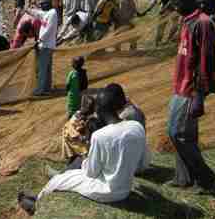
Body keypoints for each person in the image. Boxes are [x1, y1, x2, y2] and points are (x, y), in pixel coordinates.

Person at [18, 88, 148, 215]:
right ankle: (39, 198)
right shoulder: (136, 127)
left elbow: (91, 173)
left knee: (58, 180)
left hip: (106, 191)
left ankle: (36, 203)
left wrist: (86, 158)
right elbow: (142, 163)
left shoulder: (100, 136)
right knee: (67, 175)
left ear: (99, 110)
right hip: (125, 188)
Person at [165, 0, 215, 192]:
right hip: (180, 86)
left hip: (190, 89)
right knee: (186, 135)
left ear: (186, 3)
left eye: (177, 4)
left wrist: (199, 95)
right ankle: (183, 178)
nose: (175, 8)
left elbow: (206, 61)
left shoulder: (203, 23)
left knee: (177, 133)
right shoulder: (188, 20)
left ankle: (206, 178)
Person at [25, 0, 58, 96]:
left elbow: (48, 29)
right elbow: (37, 13)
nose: (41, 6)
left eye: (42, 4)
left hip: (46, 45)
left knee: (42, 68)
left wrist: (39, 40)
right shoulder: (47, 13)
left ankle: (40, 90)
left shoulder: (52, 13)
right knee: (47, 68)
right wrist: (27, 10)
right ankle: (47, 88)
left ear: (48, 4)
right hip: (46, 45)